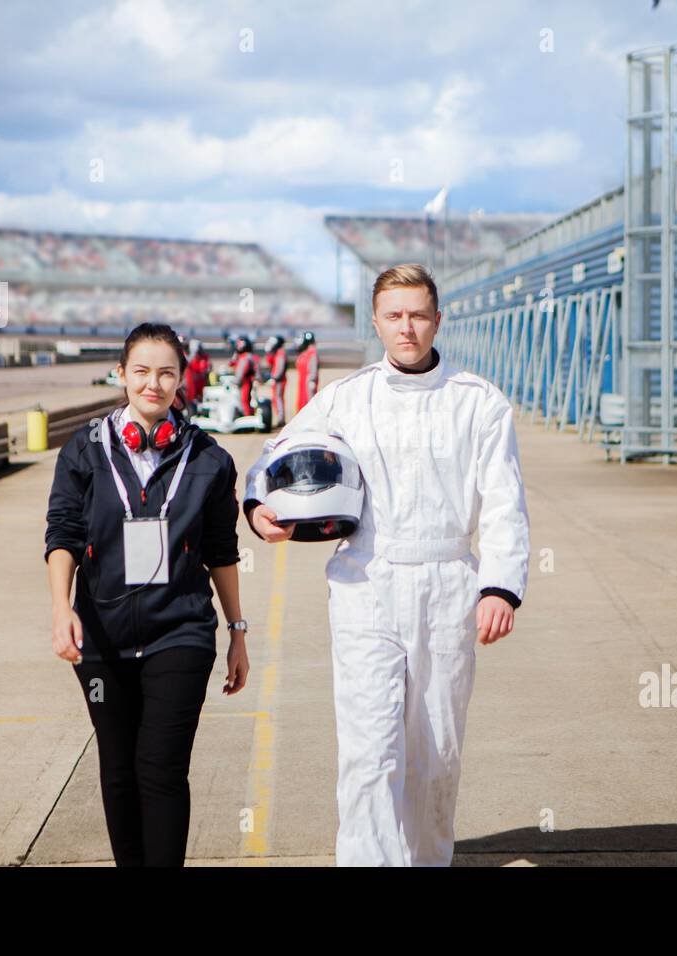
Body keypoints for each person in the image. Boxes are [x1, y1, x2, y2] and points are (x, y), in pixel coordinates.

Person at [242, 263, 529, 866]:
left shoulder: (479, 403)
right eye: (394, 316)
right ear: (376, 322)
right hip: (365, 582)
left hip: (449, 580)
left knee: (435, 754)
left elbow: (505, 500)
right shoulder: (346, 398)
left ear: (437, 320)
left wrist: (500, 586)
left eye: (418, 315)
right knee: (369, 751)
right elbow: (274, 453)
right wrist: (258, 504)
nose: (407, 328)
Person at [44, 321, 250, 867]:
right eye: (141, 371)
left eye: (166, 373)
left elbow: (221, 550)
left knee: (159, 767)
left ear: (182, 379)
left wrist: (237, 631)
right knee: (118, 769)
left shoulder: (209, 459)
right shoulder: (83, 451)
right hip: (101, 641)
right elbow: (62, 532)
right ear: (121, 375)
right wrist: (61, 608)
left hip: (179, 635)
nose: (153, 384)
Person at [262, 334, 288, 428]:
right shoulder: (277, 353)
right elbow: (269, 362)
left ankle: (281, 419)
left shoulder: (281, 354)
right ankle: (280, 418)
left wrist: (275, 378)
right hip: (277, 380)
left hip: (279, 381)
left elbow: (279, 369)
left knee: (278, 399)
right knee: (276, 399)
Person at [293, 330, 319, 415]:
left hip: (308, 384)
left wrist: (311, 380)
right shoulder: (305, 353)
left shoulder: (312, 353)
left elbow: (313, 371)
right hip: (303, 383)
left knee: (309, 405)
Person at [231, 334, 258, 417]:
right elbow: (231, 363)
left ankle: (247, 417)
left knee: (244, 400)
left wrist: (237, 381)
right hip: (244, 381)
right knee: (243, 400)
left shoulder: (246, 357)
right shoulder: (242, 356)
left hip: (245, 382)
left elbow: (242, 371)